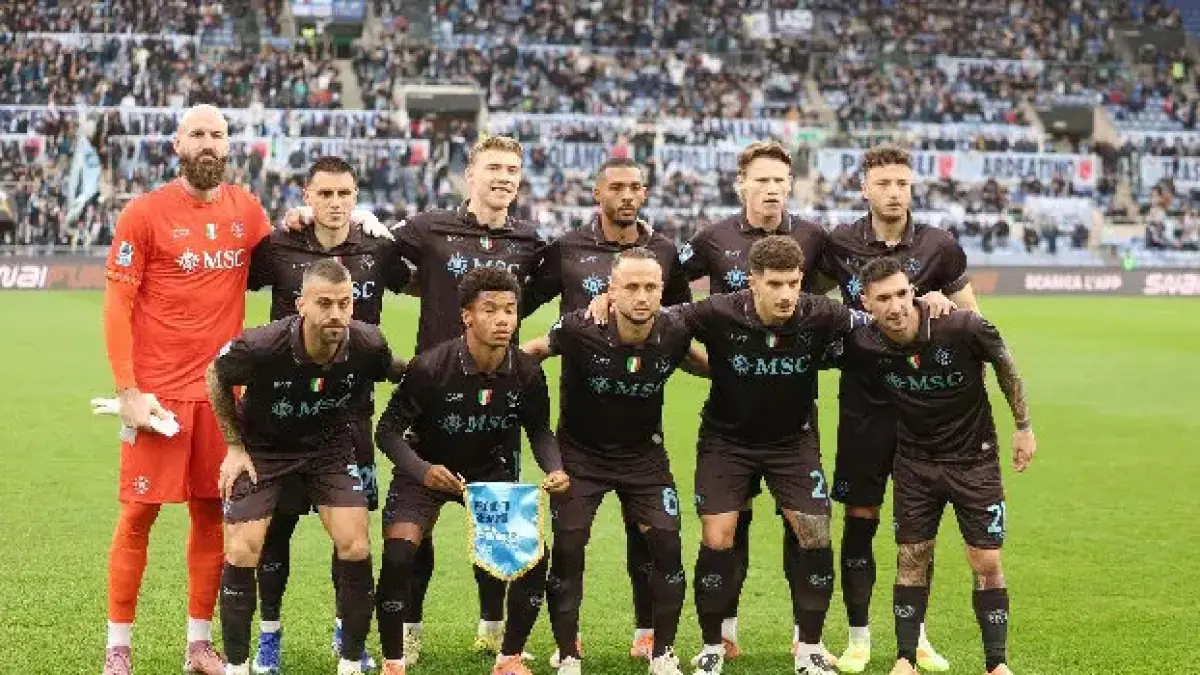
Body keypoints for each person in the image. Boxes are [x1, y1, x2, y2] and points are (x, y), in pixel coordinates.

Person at [101, 103, 274, 675]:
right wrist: (128, 390)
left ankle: (199, 645)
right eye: (196, 133)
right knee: (137, 516)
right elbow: (117, 305)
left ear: (228, 146)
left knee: (209, 517)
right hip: (157, 400)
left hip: (220, 399)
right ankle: (118, 648)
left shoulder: (247, 211)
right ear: (178, 145)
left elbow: (283, 259)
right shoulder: (145, 213)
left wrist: (304, 218)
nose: (207, 143)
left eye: (217, 134)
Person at [246, 156, 412, 674]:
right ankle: (269, 637)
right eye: (325, 194)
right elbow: (233, 281)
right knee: (276, 534)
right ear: (307, 196)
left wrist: (391, 233)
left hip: (349, 418)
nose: (335, 203)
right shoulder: (279, 246)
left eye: (344, 194)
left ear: (356, 197)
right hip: (281, 418)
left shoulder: (378, 249)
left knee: (351, 537)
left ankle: (348, 634)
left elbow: (423, 285)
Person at [522, 157, 692, 663]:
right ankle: (567, 648)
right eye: (617, 187)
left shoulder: (664, 251)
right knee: (569, 547)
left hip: (643, 437)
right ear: (598, 193)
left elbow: (682, 315)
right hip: (581, 432)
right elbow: (526, 306)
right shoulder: (567, 248)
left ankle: (652, 638)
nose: (627, 195)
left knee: (653, 543)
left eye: (636, 187)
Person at [834, 257, 1034, 675]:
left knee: (986, 561)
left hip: (974, 461)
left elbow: (1005, 363)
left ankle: (996, 664)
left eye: (902, 294)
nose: (896, 307)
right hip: (914, 464)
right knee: (912, 557)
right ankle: (906, 658)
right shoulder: (864, 343)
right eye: (883, 299)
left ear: (913, 292)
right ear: (866, 303)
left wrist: (1023, 427)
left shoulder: (961, 327)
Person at [676, 236, 867, 675]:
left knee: (815, 535)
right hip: (727, 441)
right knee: (718, 537)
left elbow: (879, 322)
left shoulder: (822, 313)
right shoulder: (718, 311)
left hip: (792, 442)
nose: (786, 294)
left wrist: (929, 307)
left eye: (794, 284)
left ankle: (809, 648)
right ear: (753, 282)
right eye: (775, 284)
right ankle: (712, 646)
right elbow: (660, 323)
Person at [816, 144, 974, 674]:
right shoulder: (838, 243)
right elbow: (806, 293)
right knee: (860, 520)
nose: (893, 192)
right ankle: (858, 638)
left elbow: (973, 322)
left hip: (923, 413)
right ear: (864, 188)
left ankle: (917, 636)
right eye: (883, 183)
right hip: (863, 406)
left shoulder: (939, 245)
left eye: (902, 183)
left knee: (918, 530)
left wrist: (944, 307)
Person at [206, 258, 405, 675]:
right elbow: (216, 375)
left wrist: (446, 369)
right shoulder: (261, 345)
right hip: (265, 450)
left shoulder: (367, 343)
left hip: (329, 449)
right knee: (242, 549)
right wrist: (234, 446)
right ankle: (237, 667)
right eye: (325, 303)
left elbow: (397, 371)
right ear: (301, 305)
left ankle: (350, 662)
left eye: (345, 304)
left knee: (356, 545)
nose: (336, 314)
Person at [389, 136, 547, 660]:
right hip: (431, 400)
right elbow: (379, 253)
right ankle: (409, 632)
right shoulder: (430, 228)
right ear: (470, 175)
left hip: (496, 404)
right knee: (418, 530)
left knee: (495, 526)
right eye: (493, 167)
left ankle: (493, 627)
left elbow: (554, 287)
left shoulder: (529, 241)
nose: (503, 177)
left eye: (512, 170)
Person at [671, 140, 829, 658]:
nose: (771, 189)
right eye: (762, 180)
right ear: (742, 184)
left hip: (792, 412)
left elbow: (847, 290)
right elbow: (668, 287)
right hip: (731, 409)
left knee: (803, 527)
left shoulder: (812, 236)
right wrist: (703, 359)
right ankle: (724, 632)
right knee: (727, 529)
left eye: (780, 181)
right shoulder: (713, 238)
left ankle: (806, 638)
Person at [373, 267, 570, 675]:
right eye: (490, 310)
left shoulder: (528, 372)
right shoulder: (430, 368)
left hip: (489, 472)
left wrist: (555, 468)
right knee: (399, 554)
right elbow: (387, 432)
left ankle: (508, 658)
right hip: (424, 471)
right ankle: (395, 659)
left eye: (510, 310)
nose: (502, 319)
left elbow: (539, 431)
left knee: (533, 557)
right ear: (467, 316)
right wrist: (423, 470)